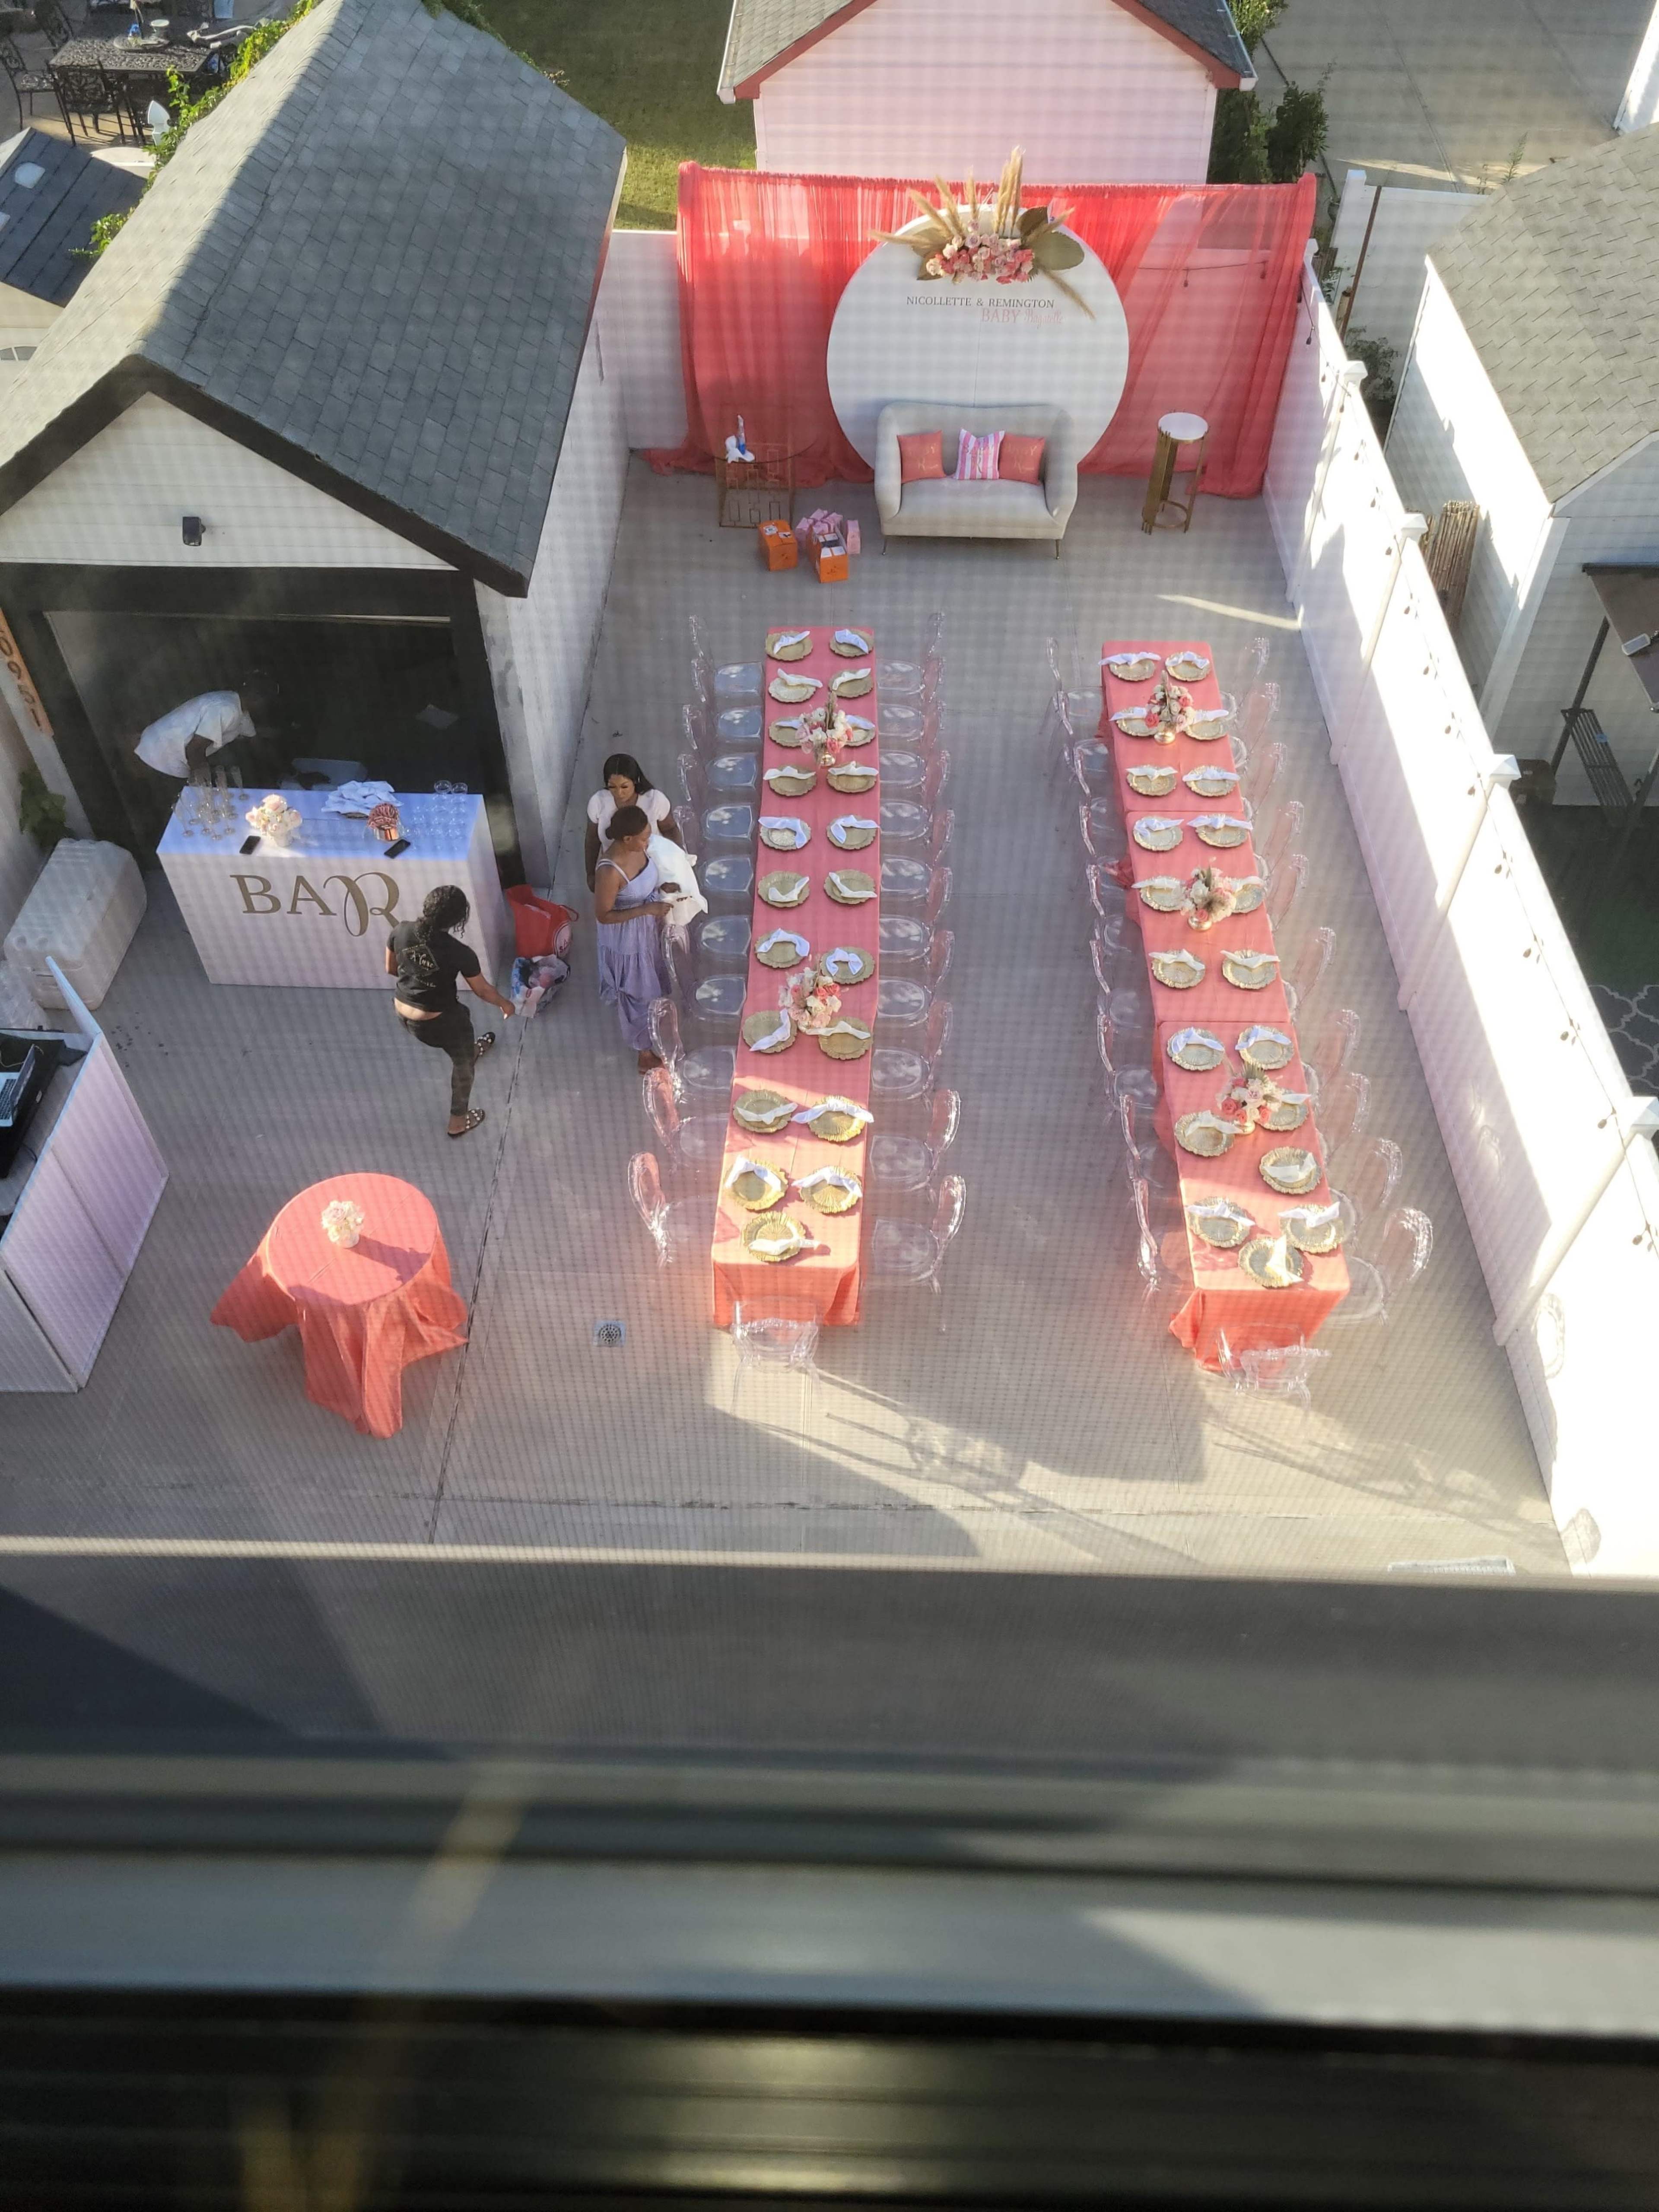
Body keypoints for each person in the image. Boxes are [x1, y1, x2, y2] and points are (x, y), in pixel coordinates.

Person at [386, 884, 515, 1139]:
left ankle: (470, 1050)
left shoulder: (400, 930)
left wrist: (421, 978)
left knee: (462, 1018)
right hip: (436, 1023)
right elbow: (482, 991)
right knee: (463, 1066)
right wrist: (505, 1004)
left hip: (402, 1011)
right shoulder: (460, 953)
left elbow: (391, 969)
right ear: (458, 920)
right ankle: (457, 1122)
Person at [594, 804, 673, 1070]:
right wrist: (646, 910)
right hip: (627, 941)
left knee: (652, 984)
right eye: (643, 839)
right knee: (637, 994)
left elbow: (645, 881)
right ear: (627, 839)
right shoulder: (609, 871)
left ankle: (655, 1028)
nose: (648, 842)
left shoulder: (638, 849)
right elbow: (603, 915)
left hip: (647, 930)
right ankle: (644, 1054)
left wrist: (662, 886)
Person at [584, 753, 682, 890]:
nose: (619, 793)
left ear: (635, 781)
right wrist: (591, 874)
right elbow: (592, 839)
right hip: (617, 874)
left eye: (624, 787)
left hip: (654, 871)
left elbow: (670, 829)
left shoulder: (655, 800)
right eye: (612, 787)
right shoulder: (598, 802)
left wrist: (678, 866)